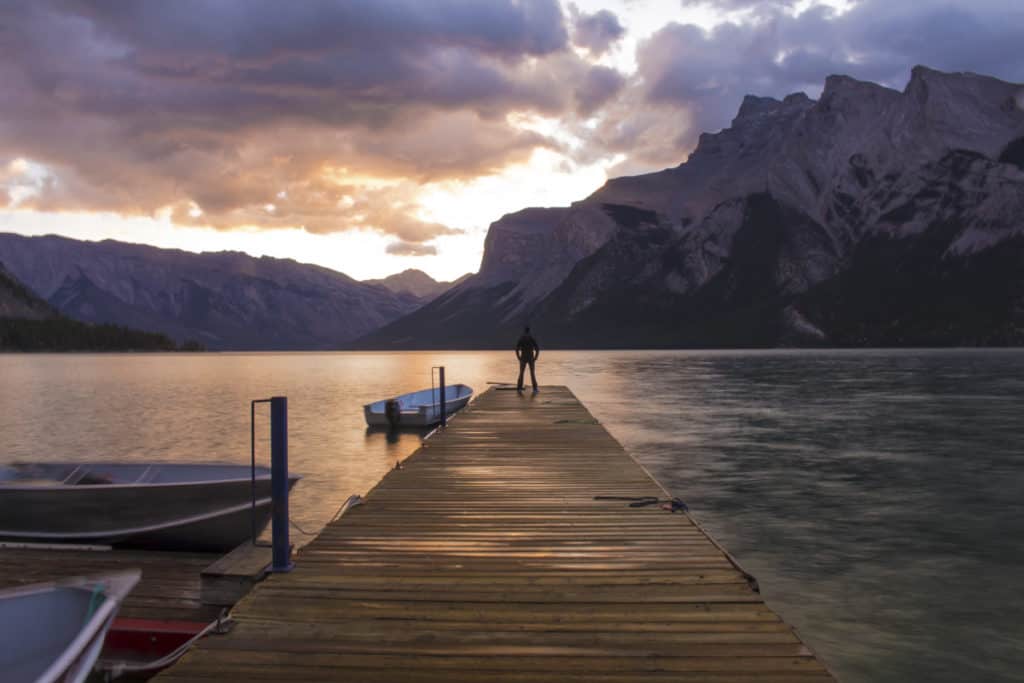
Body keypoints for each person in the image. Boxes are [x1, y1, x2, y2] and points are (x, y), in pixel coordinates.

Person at [515, 326, 540, 393]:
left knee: (521, 373)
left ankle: (519, 388)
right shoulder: (531, 338)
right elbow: (537, 348)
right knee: (532, 373)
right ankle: (535, 388)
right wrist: (535, 357)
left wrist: (518, 357)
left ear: (524, 331)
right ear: (529, 331)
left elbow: (517, 349)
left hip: (523, 358)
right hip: (530, 358)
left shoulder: (522, 338)